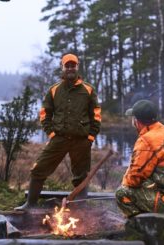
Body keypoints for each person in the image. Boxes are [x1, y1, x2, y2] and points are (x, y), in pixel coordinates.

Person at [15, 53, 101, 210]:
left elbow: (96, 115)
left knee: (81, 177)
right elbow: (44, 114)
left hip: (81, 141)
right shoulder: (54, 90)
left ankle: (80, 210)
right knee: (38, 169)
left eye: (72, 65)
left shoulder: (88, 90)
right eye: (67, 65)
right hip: (59, 139)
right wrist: (51, 133)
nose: (70, 68)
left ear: (77, 67)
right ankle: (30, 204)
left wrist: (90, 137)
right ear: (62, 67)